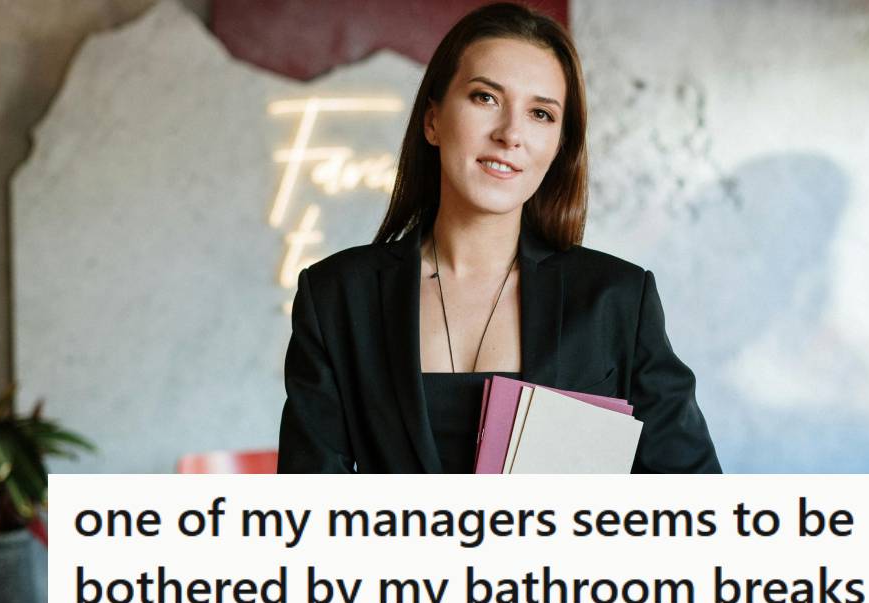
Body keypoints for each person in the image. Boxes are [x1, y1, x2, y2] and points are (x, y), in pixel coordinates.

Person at [277, 2, 720, 474]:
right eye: (485, 98)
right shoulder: (336, 297)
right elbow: (309, 509)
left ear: (558, 148)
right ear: (433, 121)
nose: (511, 134)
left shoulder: (617, 300)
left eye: (541, 115)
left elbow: (694, 504)